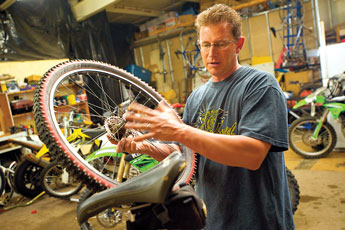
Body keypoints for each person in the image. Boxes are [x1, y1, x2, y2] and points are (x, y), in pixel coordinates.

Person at [113, 4, 294, 230]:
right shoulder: (196, 98)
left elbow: (253, 154)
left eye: (220, 44)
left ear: (239, 44)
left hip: (257, 222)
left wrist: (179, 130)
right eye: (205, 45)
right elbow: (184, 158)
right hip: (213, 220)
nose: (211, 53)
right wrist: (144, 147)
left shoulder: (260, 85)